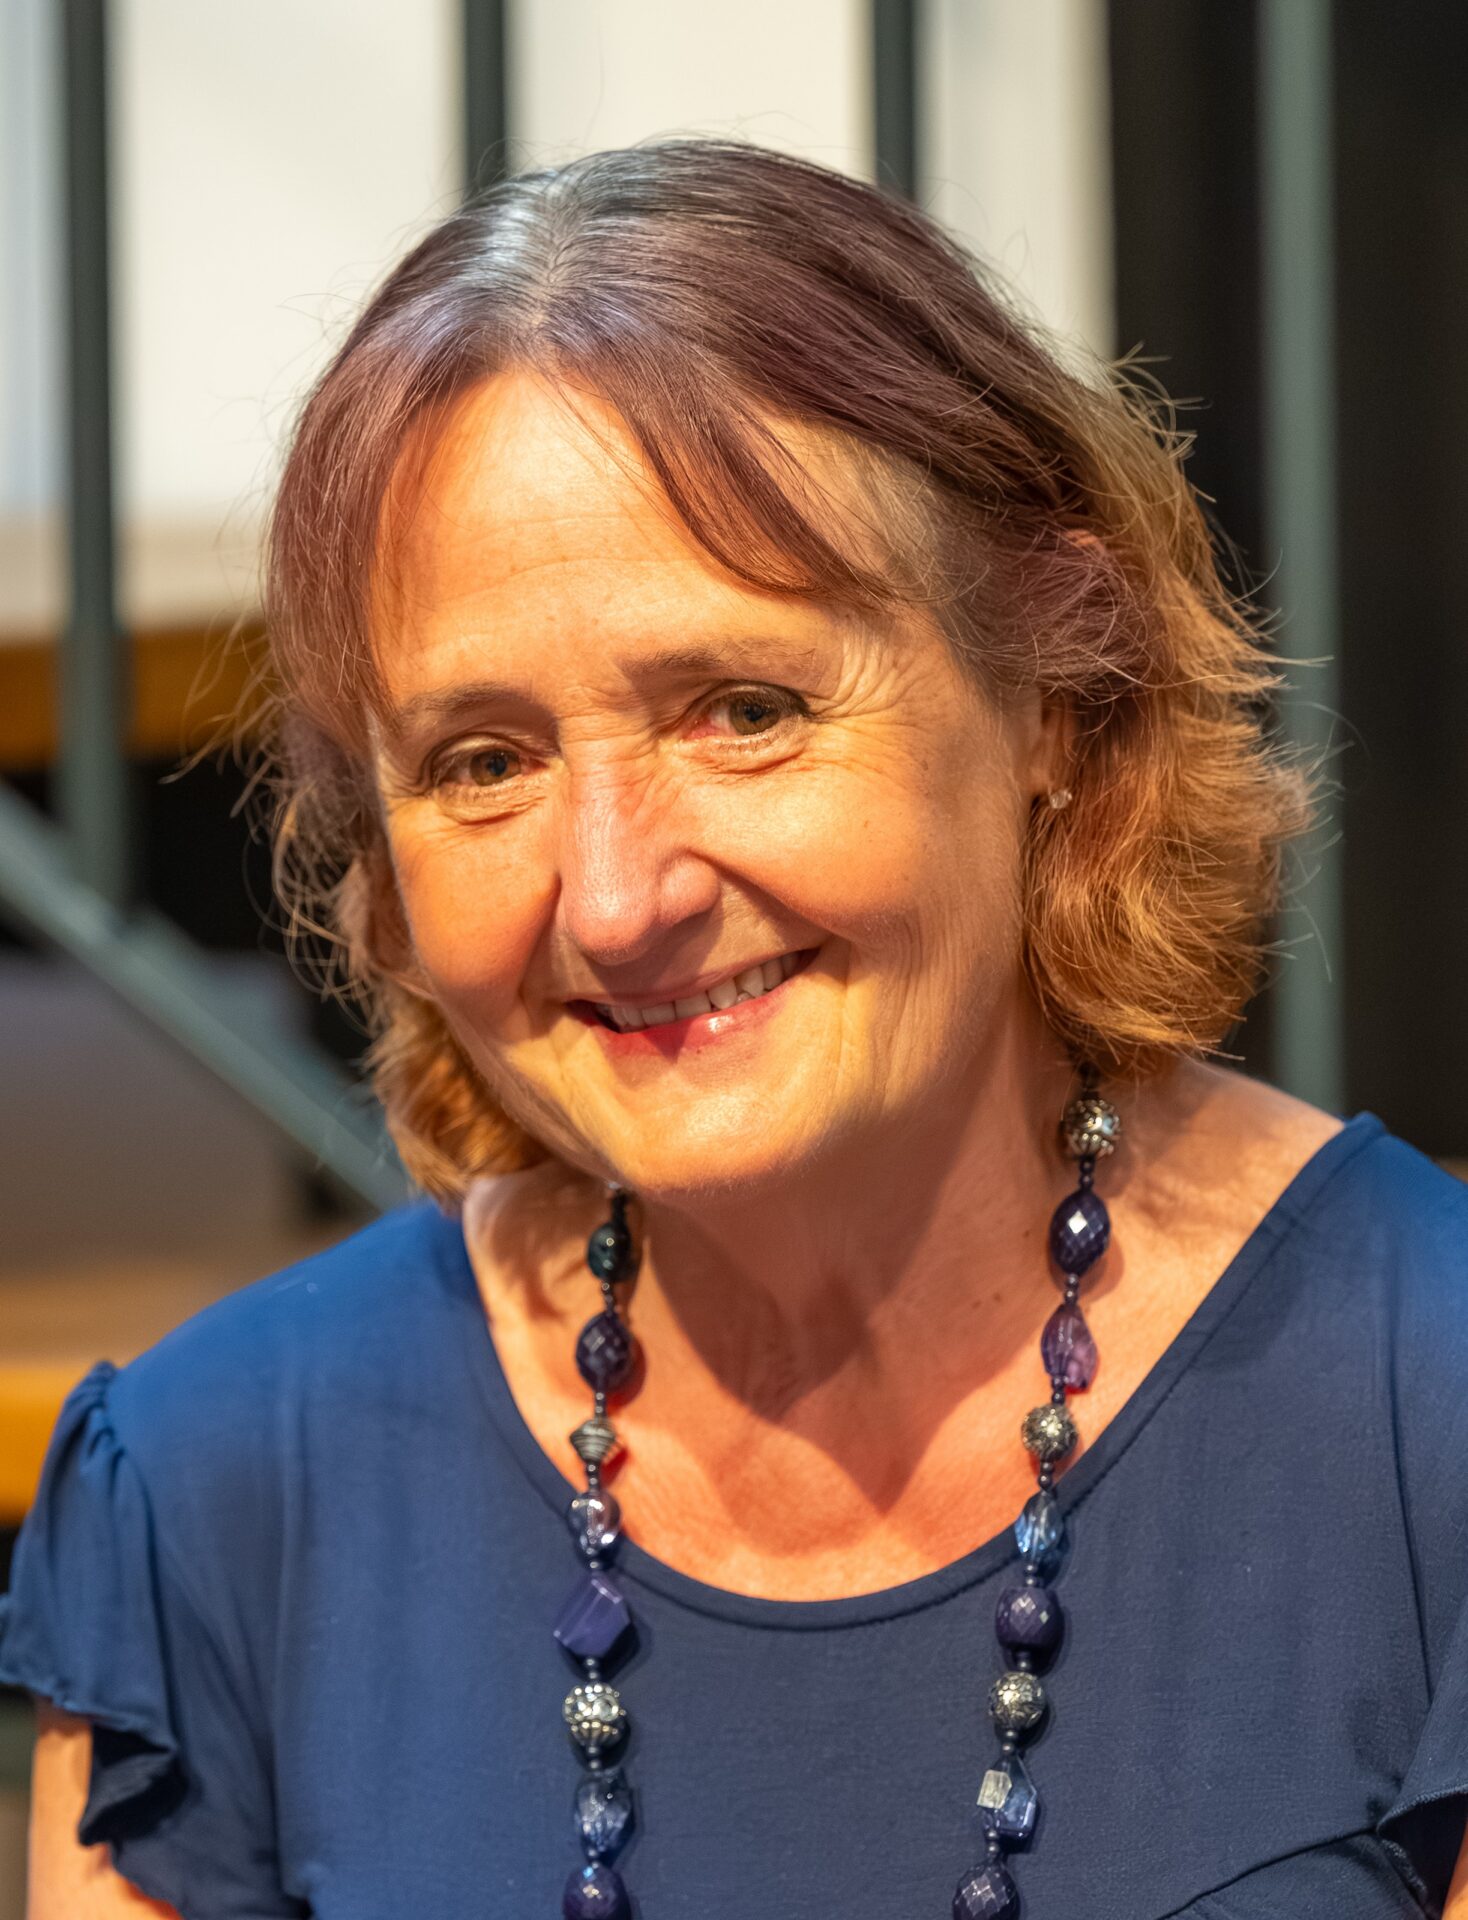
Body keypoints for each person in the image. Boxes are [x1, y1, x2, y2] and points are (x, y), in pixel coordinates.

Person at [5, 136, 1467, 1920]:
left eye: (745, 710)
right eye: (484, 760)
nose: (617, 897)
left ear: (1054, 698)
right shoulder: (215, 1505)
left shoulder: (1425, 1411)